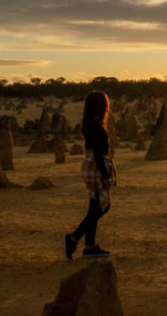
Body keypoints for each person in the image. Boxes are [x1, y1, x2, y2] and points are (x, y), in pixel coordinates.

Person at [64, 90, 117, 260]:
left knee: (95, 206)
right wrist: (105, 175)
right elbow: (96, 151)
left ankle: (89, 246)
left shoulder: (91, 124)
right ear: (101, 107)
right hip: (96, 165)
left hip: (92, 165)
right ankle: (74, 238)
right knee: (102, 206)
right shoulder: (95, 126)